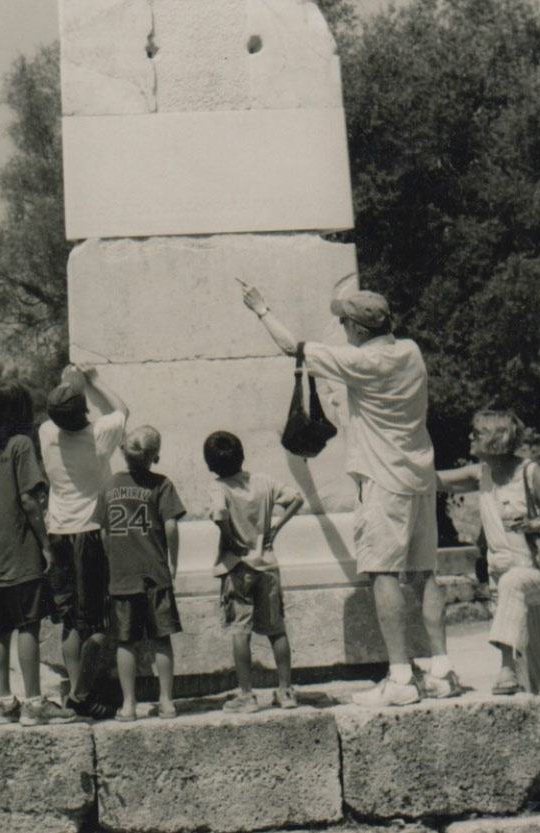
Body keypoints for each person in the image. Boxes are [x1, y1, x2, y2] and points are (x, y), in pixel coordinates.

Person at [241, 285, 459, 706]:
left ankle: (399, 677)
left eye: (344, 321)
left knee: (382, 574)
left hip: (382, 480)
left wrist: (261, 308)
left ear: (357, 328)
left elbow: (292, 347)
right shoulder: (411, 351)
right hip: (419, 475)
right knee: (425, 575)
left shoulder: (360, 361)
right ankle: (443, 669)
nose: (341, 327)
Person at [437, 410, 540, 694]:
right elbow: (434, 480)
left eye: (478, 433)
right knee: (534, 658)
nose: (470, 437)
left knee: (514, 584)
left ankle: (505, 669)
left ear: (497, 438)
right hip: (502, 575)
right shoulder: (480, 473)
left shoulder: (531, 473)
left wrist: (534, 524)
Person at [0, 381, 77, 726]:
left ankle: (3, 702)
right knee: (28, 624)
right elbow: (30, 499)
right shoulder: (21, 446)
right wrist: (45, 545)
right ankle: (33, 702)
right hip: (21, 550)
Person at [39, 363, 129, 719]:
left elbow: (63, 398)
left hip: (58, 531)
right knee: (96, 622)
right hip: (90, 532)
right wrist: (93, 380)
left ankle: (75, 693)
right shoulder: (99, 435)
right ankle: (81, 695)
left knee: (71, 622)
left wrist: (68, 380)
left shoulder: (46, 432)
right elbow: (122, 409)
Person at [204, 431, 304, 712]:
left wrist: (230, 538)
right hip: (268, 564)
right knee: (276, 629)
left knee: (240, 631)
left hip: (237, 567)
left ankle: (247, 695)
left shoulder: (218, 488)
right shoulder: (264, 481)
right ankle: (285, 691)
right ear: (242, 455)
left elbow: (219, 514)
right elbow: (297, 498)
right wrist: (276, 526)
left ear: (210, 464)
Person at [96, 426, 187, 721]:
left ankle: (129, 704)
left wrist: (112, 559)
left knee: (126, 640)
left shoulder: (109, 485)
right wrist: (173, 560)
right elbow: (171, 526)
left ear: (124, 452)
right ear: (155, 457)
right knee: (161, 638)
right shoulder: (161, 485)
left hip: (122, 575)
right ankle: (167, 701)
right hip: (155, 573)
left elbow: (104, 531)